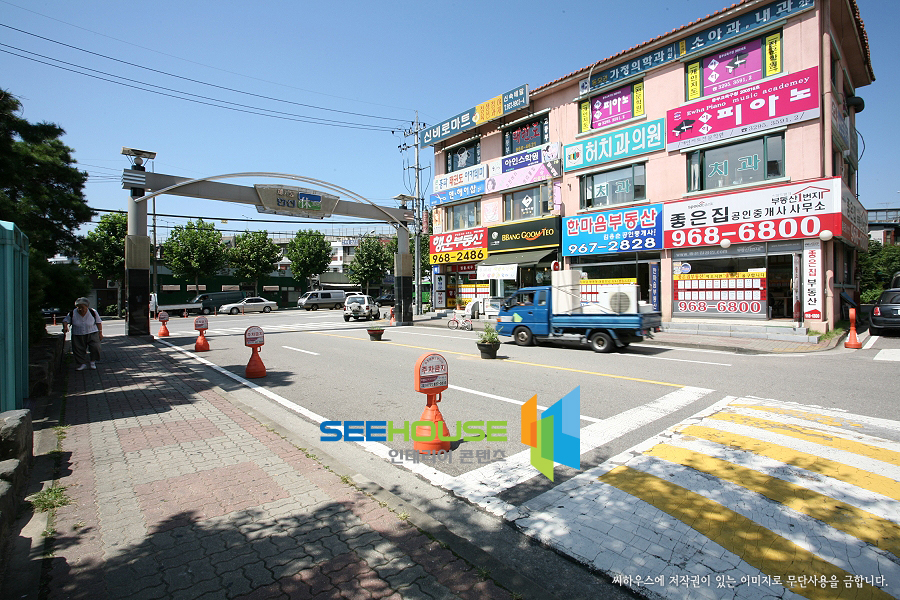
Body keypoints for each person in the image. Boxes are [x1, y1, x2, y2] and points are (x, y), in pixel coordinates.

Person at [62, 297, 103, 371]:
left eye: (82, 307)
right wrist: (65, 327)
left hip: (92, 332)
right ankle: (82, 364)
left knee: (95, 347)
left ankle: (92, 362)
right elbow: (65, 320)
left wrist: (100, 333)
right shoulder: (72, 313)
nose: (80, 309)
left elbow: (98, 322)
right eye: (78, 307)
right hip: (77, 333)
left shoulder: (92, 312)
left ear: (87, 306)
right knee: (78, 349)